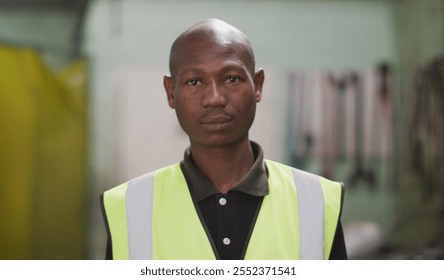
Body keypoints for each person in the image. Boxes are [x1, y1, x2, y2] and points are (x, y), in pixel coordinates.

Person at [101, 18, 347, 260]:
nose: (215, 98)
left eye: (231, 79)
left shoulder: (317, 200)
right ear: (170, 92)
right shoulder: (128, 206)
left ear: (257, 85)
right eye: (194, 81)